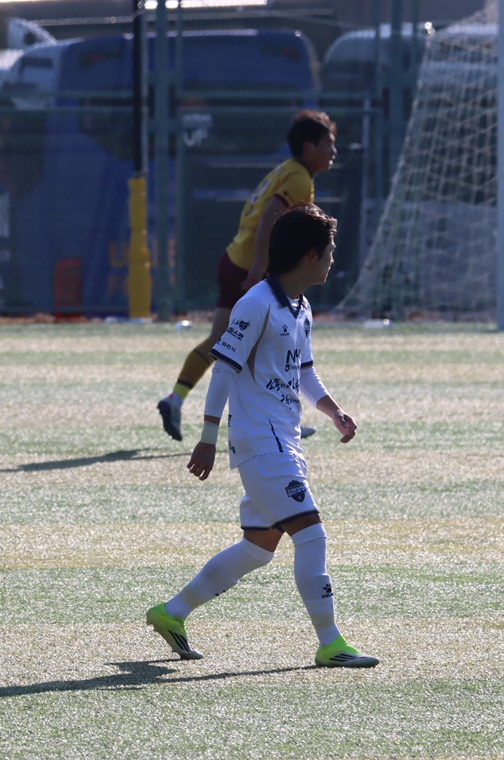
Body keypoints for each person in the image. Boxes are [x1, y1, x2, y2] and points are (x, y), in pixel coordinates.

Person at [146, 203, 379, 669]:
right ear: (309, 255)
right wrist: (207, 437)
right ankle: (330, 642)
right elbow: (223, 371)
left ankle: (172, 612)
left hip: (283, 440)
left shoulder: (301, 307)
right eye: (330, 251)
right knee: (312, 535)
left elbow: (303, 371)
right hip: (261, 441)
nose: (333, 259)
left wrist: (332, 410)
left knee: (258, 548)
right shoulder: (256, 304)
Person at [157, 111, 337, 441]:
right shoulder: (299, 178)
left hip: (232, 258)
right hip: (250, 268)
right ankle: (274, 420)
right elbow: (269, 219)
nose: (333, 151)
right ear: (308, 147)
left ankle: (175, 399)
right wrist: (257, 268)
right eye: (328, 144)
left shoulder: (286, 169)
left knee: (220, 341)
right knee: (267, 347)